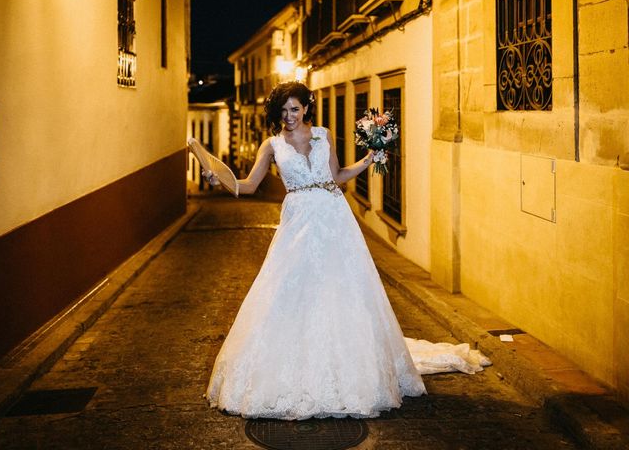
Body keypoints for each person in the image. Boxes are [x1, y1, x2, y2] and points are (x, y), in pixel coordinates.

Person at [203, 81, 489, 420]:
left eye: (295, 109)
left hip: (335, 217)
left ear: (306, 108)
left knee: (343, 289)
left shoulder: (323, 135)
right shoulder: (272, 144)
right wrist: (218, 179)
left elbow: (337, 176)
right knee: (290, 290)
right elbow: (247, 185)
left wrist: (368, 160)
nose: (289, 116)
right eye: (283, 111)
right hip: (298, 223)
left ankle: (352, 366)